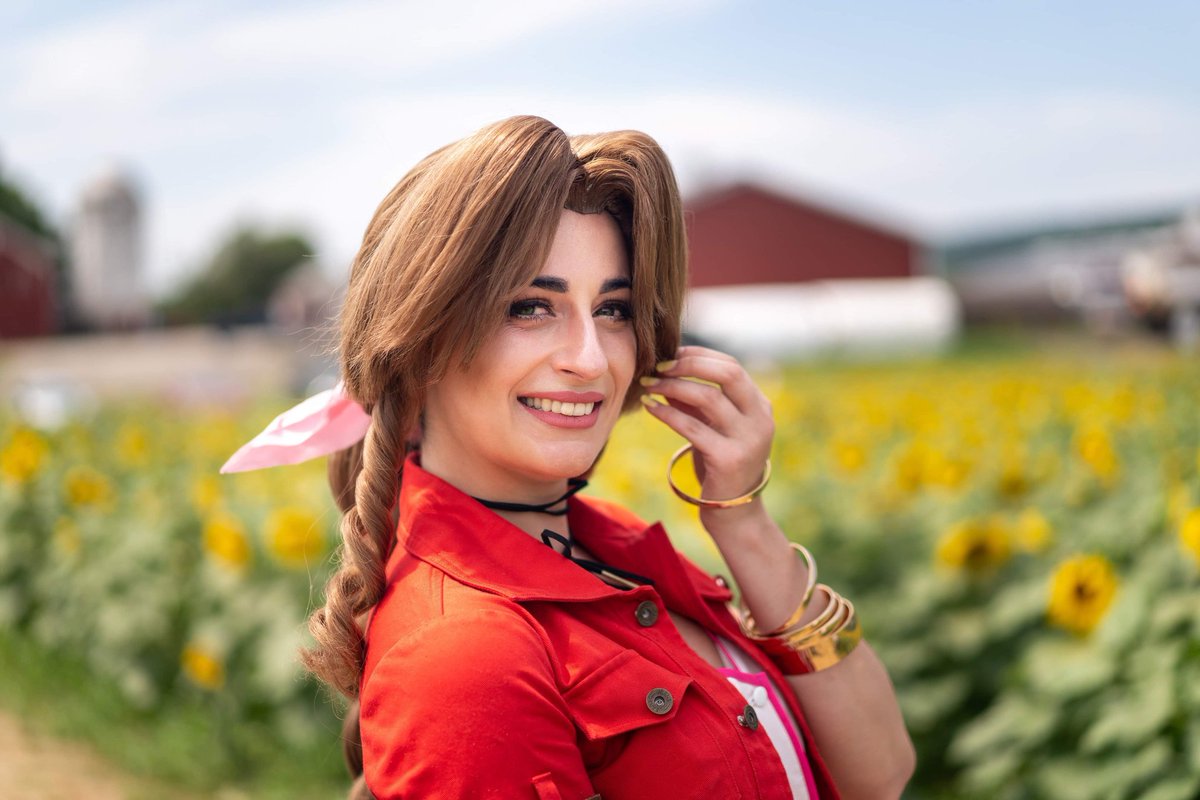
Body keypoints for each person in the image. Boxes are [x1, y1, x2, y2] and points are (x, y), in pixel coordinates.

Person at [222, 115, 914, 799]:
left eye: (612, 310)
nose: (589, 359)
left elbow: (882, 774)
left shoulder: (614, 547)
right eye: (529, 307)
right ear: (422, 340)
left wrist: (741, 516)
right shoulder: (466, 658)